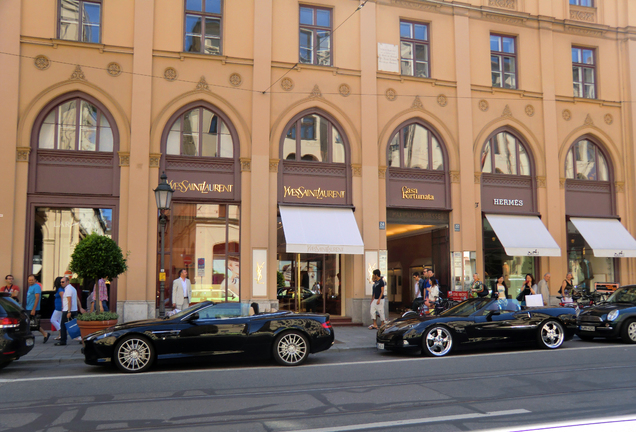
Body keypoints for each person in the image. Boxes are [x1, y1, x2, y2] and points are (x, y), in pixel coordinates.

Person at [26, 274, 50, 343]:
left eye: (32, 280)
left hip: (33, 308)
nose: (30, 281)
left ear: (35, 280)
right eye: (29, 280)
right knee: (32, 323)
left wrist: (33, 309)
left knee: (32, 323)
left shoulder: (36, 287)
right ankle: (45, 334)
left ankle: (43, 334)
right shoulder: (30, 287)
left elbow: (37, 298)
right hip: (28, 307)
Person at [55, 276, 79, 346]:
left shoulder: (68, 289)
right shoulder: (72, 288)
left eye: (63, 282)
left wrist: (68, 311)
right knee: (76, 325)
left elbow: (69, 300)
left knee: (63, 326)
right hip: (73, 309)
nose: (61, 283)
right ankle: (82, 338)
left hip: (68, 310)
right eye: (61, 282)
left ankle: (63, 341)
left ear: (67, 282)